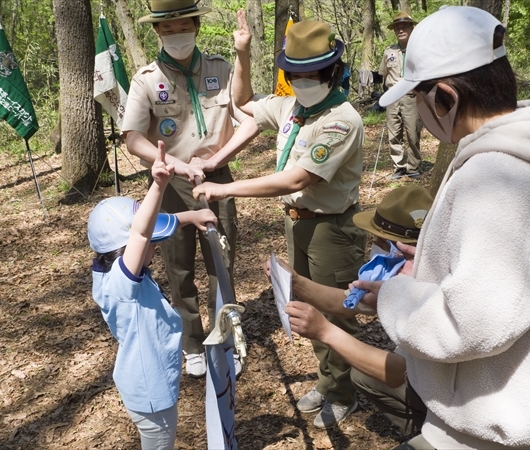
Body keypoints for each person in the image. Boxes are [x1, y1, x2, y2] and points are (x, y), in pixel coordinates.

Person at [367, 6, 530, 449]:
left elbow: (474, 323)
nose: (419, 111)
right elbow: (510, 284)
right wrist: (429, 264)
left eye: (418, 98)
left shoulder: (501, 179)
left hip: (479, 433)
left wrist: (392, 294)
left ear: (445, 97)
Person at [193, 10, 367, 429]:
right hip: (298, 223)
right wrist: (243, 54)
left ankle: (343, 392)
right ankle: (327, 381)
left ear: (332, 72)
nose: (302, 82)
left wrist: (224, 188)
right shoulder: (292, 107)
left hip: (333, 228)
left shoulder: (341, 120)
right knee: (306, 303)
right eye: (295, 75)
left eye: (311, 75)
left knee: (336, 308)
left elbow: (296, 177)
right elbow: (244, 102)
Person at [122, 0, 260, 378]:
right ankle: (192, 342)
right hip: (170, 183)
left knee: (222, 260)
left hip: (218, 178)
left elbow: (245, 108)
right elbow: (133, 137)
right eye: (168, 29)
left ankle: (225, 334)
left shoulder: (219, 67)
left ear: (196, 26)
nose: (176, 34)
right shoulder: (146, 79)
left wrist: (243, 53)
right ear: (157, 33)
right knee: (178, 263)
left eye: (183, 26)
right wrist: (170, 164)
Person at [267, 185, 433, 439]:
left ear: (402, 248)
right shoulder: (399, 274)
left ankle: (431, 435)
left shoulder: (428, 293)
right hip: (437, 378)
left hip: (467, 406)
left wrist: (325, 331)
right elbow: (347, 304)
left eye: (379, 240)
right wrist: (296, 281)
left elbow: (398, 372)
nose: (373, 247)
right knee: (363, 376)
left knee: (369, 373)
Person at [87, 141, 217, 449]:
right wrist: (158, 186)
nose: (156, 247)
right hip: (150, 393)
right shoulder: (121, 285)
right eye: (152, 242)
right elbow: (142, 233)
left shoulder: (113, 272)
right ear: (123, 251)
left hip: (147, 384)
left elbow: (146, 232)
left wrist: (189, 217)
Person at [379, 11, 423, 180]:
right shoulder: (389, 51)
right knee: (394, 132)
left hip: (411, 96)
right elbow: (384, 74)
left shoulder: (419, 50)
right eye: (397, 27)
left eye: (404, 26)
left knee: (413, 132)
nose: (401, 30)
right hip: (392, 96)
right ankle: (399, 165)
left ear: (411, 28)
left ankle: (413, 166)